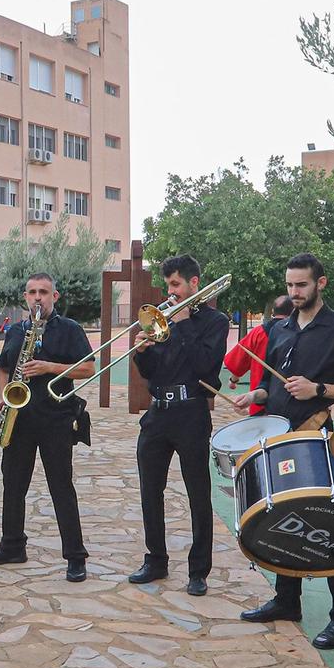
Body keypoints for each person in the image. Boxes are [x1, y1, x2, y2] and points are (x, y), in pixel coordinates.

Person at [240, 254, 334, 647]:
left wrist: (318, 389)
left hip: (318, 435)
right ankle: (287, 600)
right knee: (280, 517)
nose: (294, 292)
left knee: (329, 521)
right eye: (289, 285)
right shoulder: (279, 329)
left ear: (321, 283)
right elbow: (271, 385)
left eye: (301, 285)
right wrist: (256, 393)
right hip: (280, 437)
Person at [0, 272, 95, 581]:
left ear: (55, 297)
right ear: (25, 297)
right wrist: (5, 398)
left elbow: (87, 368)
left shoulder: (69, 329)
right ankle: (12, 546)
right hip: (21, 419)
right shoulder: (17, 330)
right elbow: (3, 368)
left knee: (61, 486)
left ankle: (75, 556)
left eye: (44, 292)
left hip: (56, 418)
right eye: (32, 292)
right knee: (13, 485)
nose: (38, 297)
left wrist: (50, 367)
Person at [128, 255, 230, 596]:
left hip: (191, 412)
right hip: (158, 414)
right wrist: (142, 353)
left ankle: (198, 571)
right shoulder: (161, 321)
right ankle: (155, 560)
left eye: (176, 285)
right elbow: (152, 373)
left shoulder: (215, 322)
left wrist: (184, 324)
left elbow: (205, 367)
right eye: (167, 285)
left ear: (193, 284)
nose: (170, 293)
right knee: (149, 491)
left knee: (198, 494)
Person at [223, 294, 294, 411]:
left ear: (272, 311)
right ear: (293, 311)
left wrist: (233, 380)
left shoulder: (258, 332)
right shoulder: (298, 333)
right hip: (289, 401)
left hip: (259, 402)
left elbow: (239, 360)